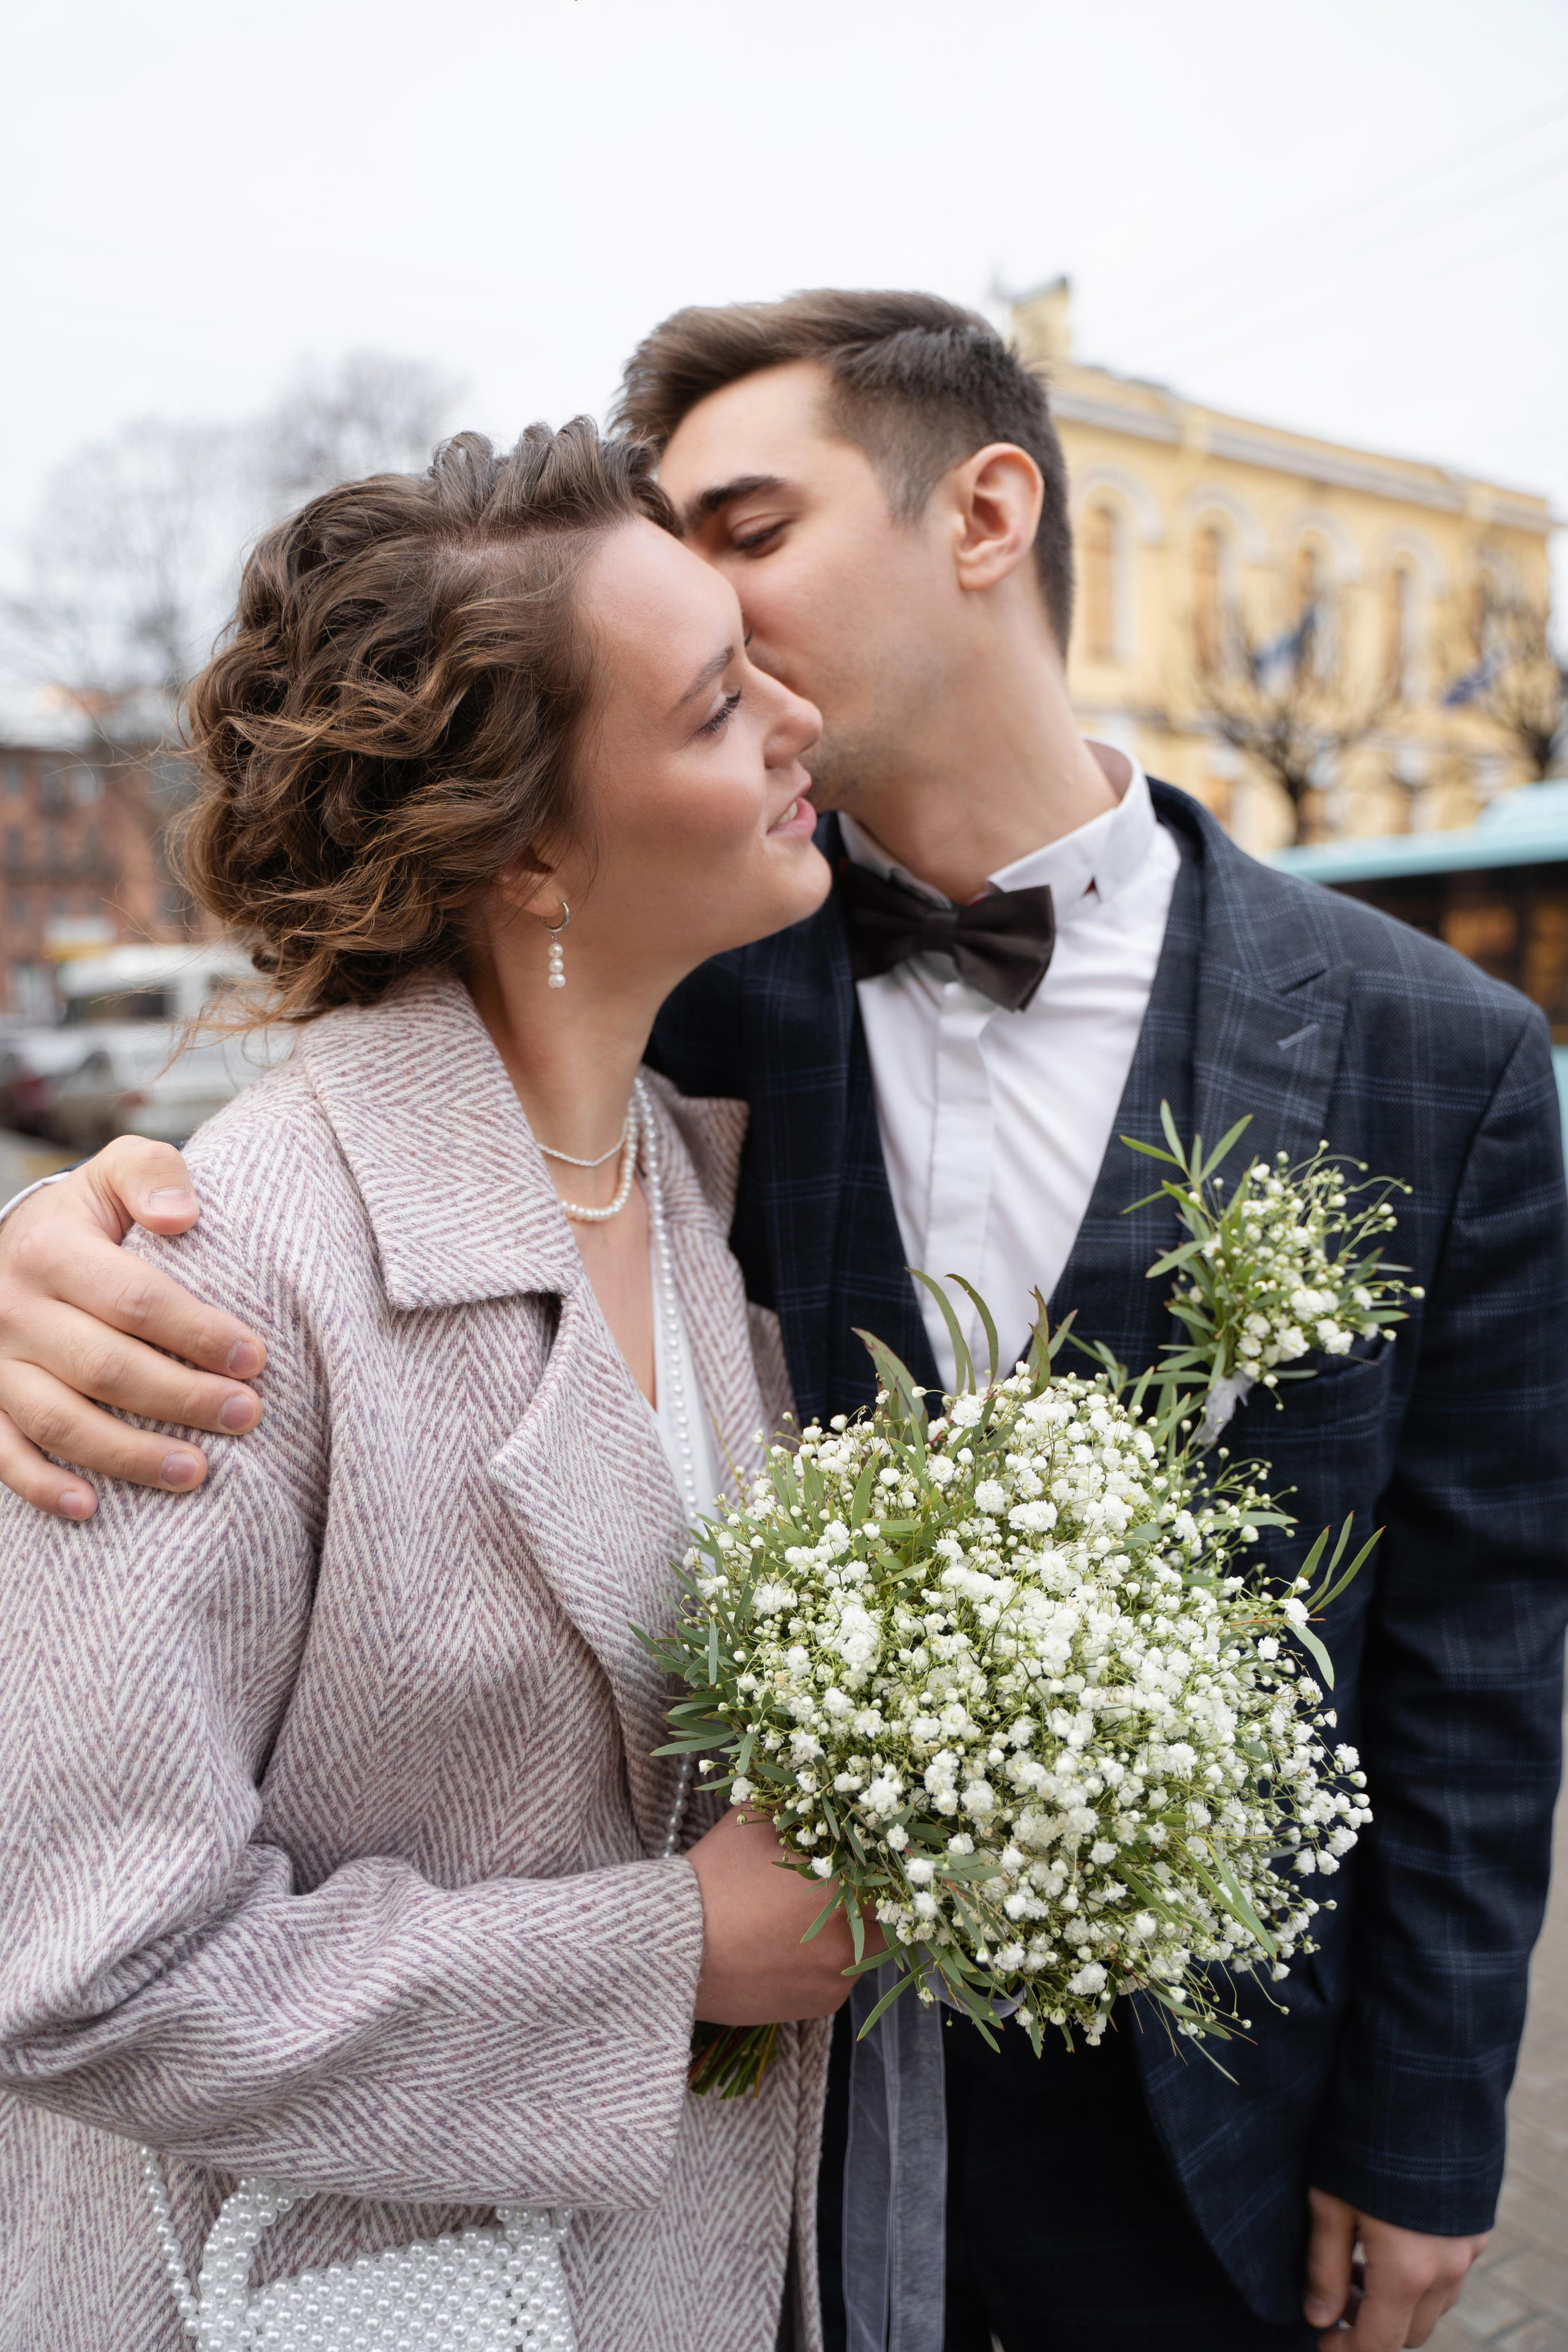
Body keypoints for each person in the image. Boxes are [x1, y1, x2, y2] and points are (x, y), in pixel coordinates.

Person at [2, 292, 1566, 2352]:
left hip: (1205, 2153)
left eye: (751, 538)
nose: (767, 696)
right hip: (623, 2207)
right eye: (703, 664)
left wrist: (1432, 2123)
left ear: (988, 511)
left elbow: (1476, 1642)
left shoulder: (1426, 1054)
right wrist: (41, 1242)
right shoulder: (674, 1000)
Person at [0, 419, 865, 2352]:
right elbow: (78, 1965)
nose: (802, 723)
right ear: (532, 847)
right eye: (721, 702)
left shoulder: (684, 1183)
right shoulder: (208, 1281)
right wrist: (665, 1962)